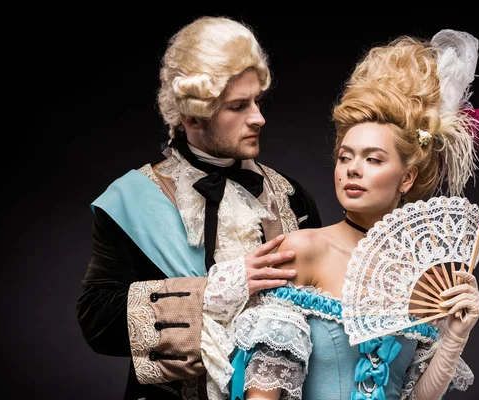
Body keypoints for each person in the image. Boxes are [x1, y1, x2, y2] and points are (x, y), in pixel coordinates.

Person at [226, 30, 479, 399]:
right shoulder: (302, 250)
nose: (353, 169)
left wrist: (455, 335)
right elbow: (262, 393)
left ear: (407, 177)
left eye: (373, 159)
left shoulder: (424, 281)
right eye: (345, 157)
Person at [75, 16, 322, 400]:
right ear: (191, 116)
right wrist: (211, 293)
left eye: (257, 101)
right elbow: (97, 322)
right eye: (238, 106)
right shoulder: (132, 199)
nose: (258, 117)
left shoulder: (291, 196)